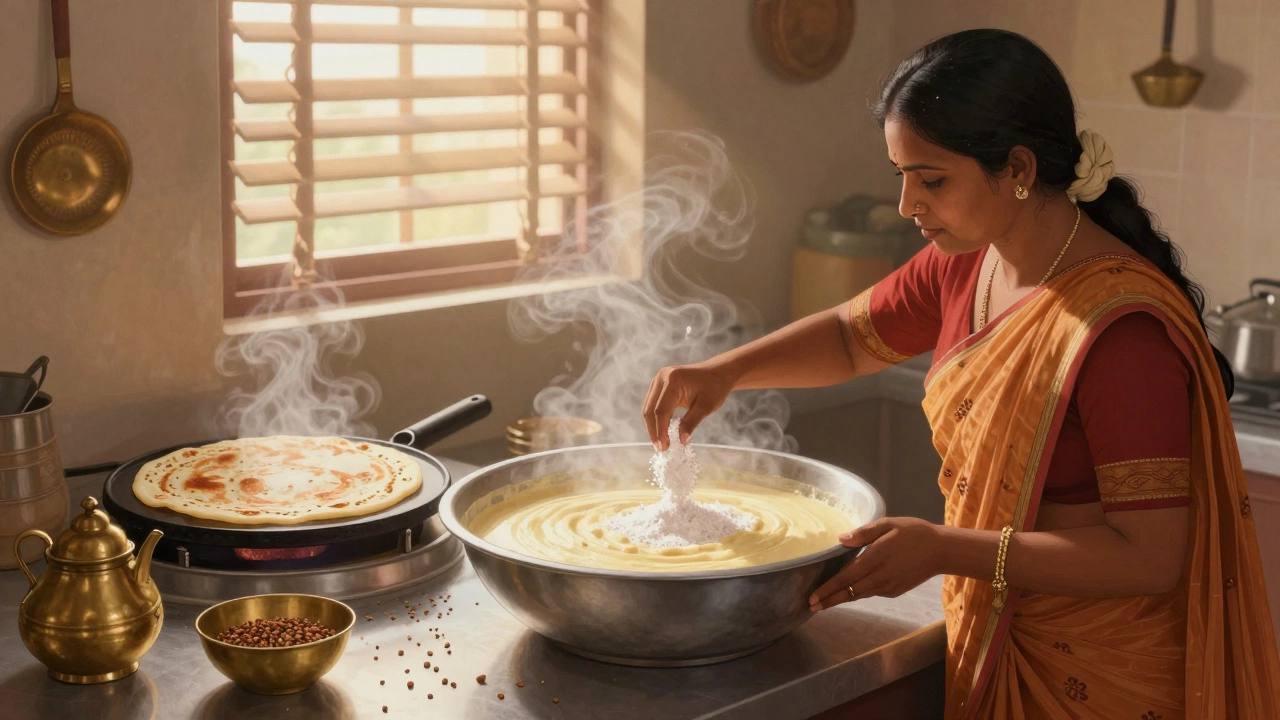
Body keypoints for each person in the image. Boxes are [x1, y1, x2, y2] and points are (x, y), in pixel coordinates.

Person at [642, 29, 1280, 719]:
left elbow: (1149, 556)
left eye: (933, 179)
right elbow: (852, 341)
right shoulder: (968, 262)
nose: (907, 206)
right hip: (996, 636)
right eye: (902, 176)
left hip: (1102, 676)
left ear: (1018, 168)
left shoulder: (1119, 333)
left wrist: (948, 547)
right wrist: (728, 370)